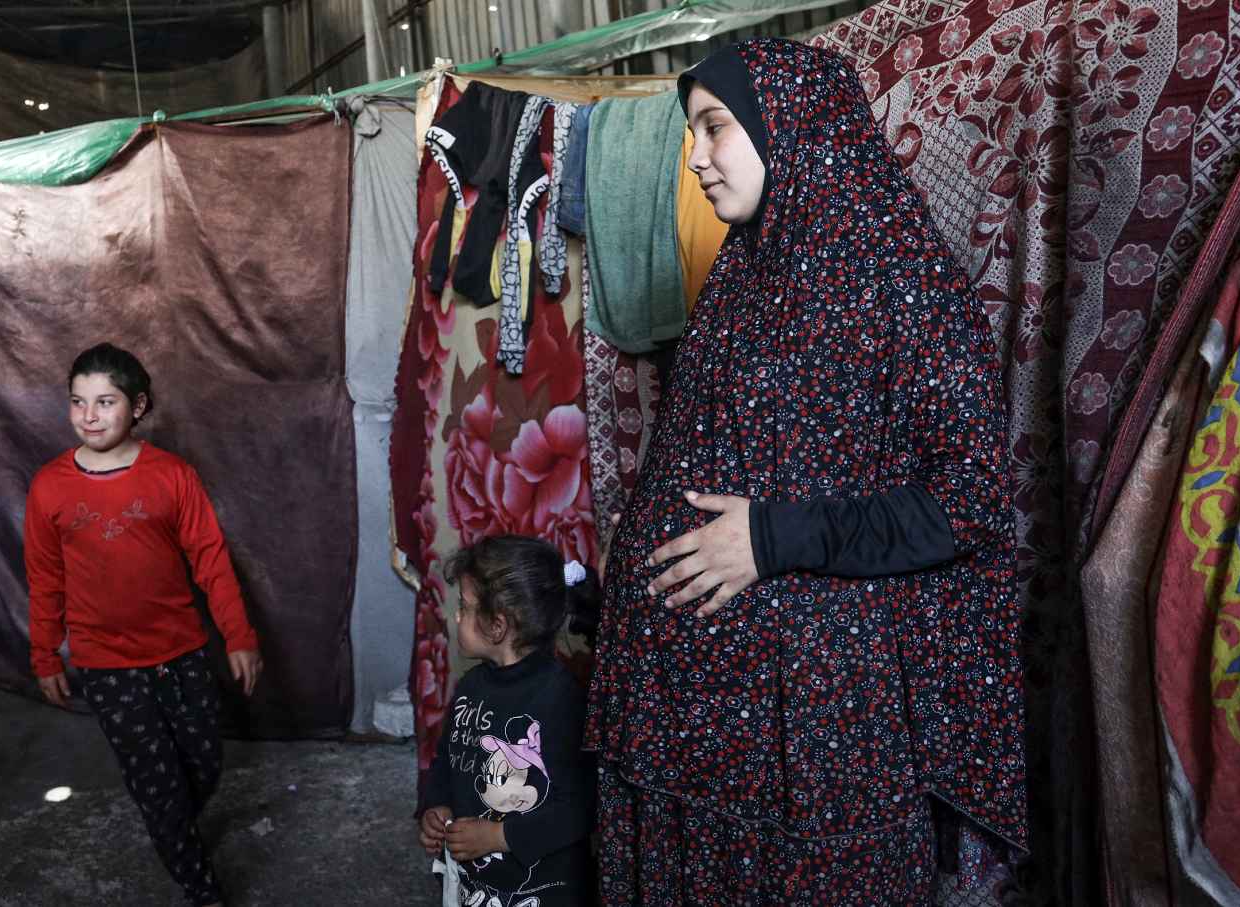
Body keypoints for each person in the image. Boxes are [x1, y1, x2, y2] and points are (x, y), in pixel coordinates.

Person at [584, 38, 1027, 904]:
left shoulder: (898, 276)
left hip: (820, 737)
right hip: (696, 730)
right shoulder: (744, 273)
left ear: (791, 124)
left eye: (714, 127)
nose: (696, 157)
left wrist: (775, 537)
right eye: (691, 133)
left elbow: (969, 501)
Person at [24, 342, 263, 907]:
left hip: (181, 650)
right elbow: (44, 580)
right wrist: (42, 654)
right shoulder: (49, 487)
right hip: (105, 663)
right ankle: (201, 886)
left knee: (202, 763)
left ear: (138, 406)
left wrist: (240, 637)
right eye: (78, 402)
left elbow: (211, 560)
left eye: (104, 402)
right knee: (158, 787)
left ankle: (173, 826)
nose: (89, 415)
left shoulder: (171, 475)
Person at [418, 536, 596, 906]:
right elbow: (446, 764)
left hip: (541, 892)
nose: (456, 617)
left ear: (497, 626)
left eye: (464, 608)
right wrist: (436, 806)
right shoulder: (469, 688)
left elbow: (579, 806)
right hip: (479, 888)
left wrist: (502, 837)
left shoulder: (560, 698)